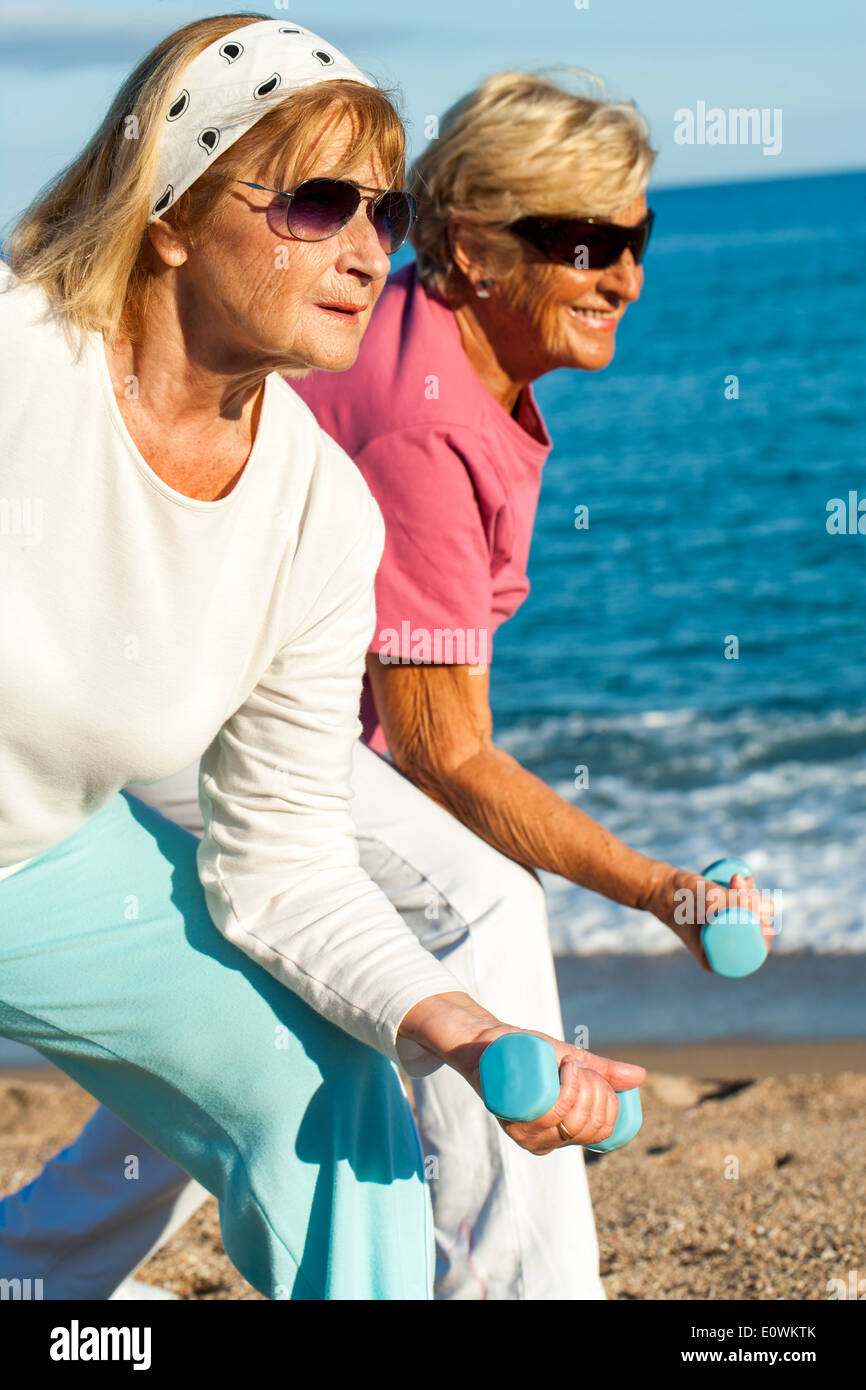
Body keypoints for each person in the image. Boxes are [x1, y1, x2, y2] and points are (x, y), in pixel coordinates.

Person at [0, 17, 647, 1303]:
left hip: (40, 863)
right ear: (171, 211)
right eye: (316, 201)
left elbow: (283, 863)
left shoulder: (319, 509)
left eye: (385, 211)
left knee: (327, 1082)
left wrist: (461, 1031)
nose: (365, 250)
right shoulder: (24, 365)